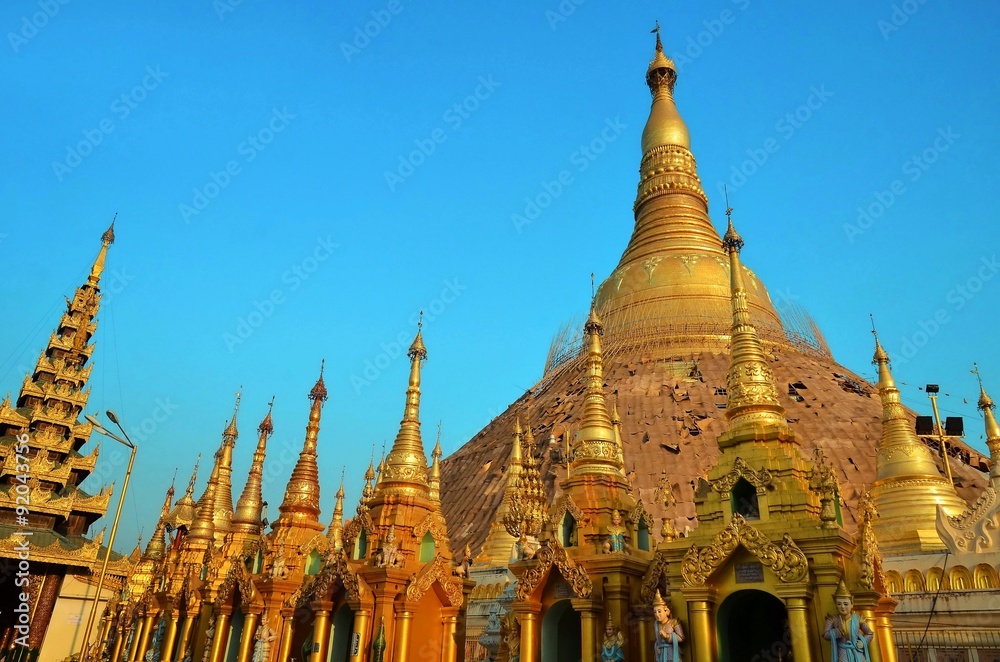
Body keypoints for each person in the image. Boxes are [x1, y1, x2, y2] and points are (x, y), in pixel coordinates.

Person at [823, 580, 874, 662]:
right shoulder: (832, 619)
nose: (842, 607)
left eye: (846, 604)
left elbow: (869, 633)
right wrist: (837, 631)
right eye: (839, 604)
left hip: (857, 653)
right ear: (836, 605)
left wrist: (863, 642)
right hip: (842, 654)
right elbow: (825, 635)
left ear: (851, 604)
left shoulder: (858, 619)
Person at [653, 590, 683, 662]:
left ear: (666, 611)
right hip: (660, 653)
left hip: (671, 653)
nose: (657, 614)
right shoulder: (656, 624)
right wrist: (657, 646)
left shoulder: (674, 622)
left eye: (659, 611)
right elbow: (657, 640)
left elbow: (681, 638)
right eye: (655, 612)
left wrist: (667, 636)